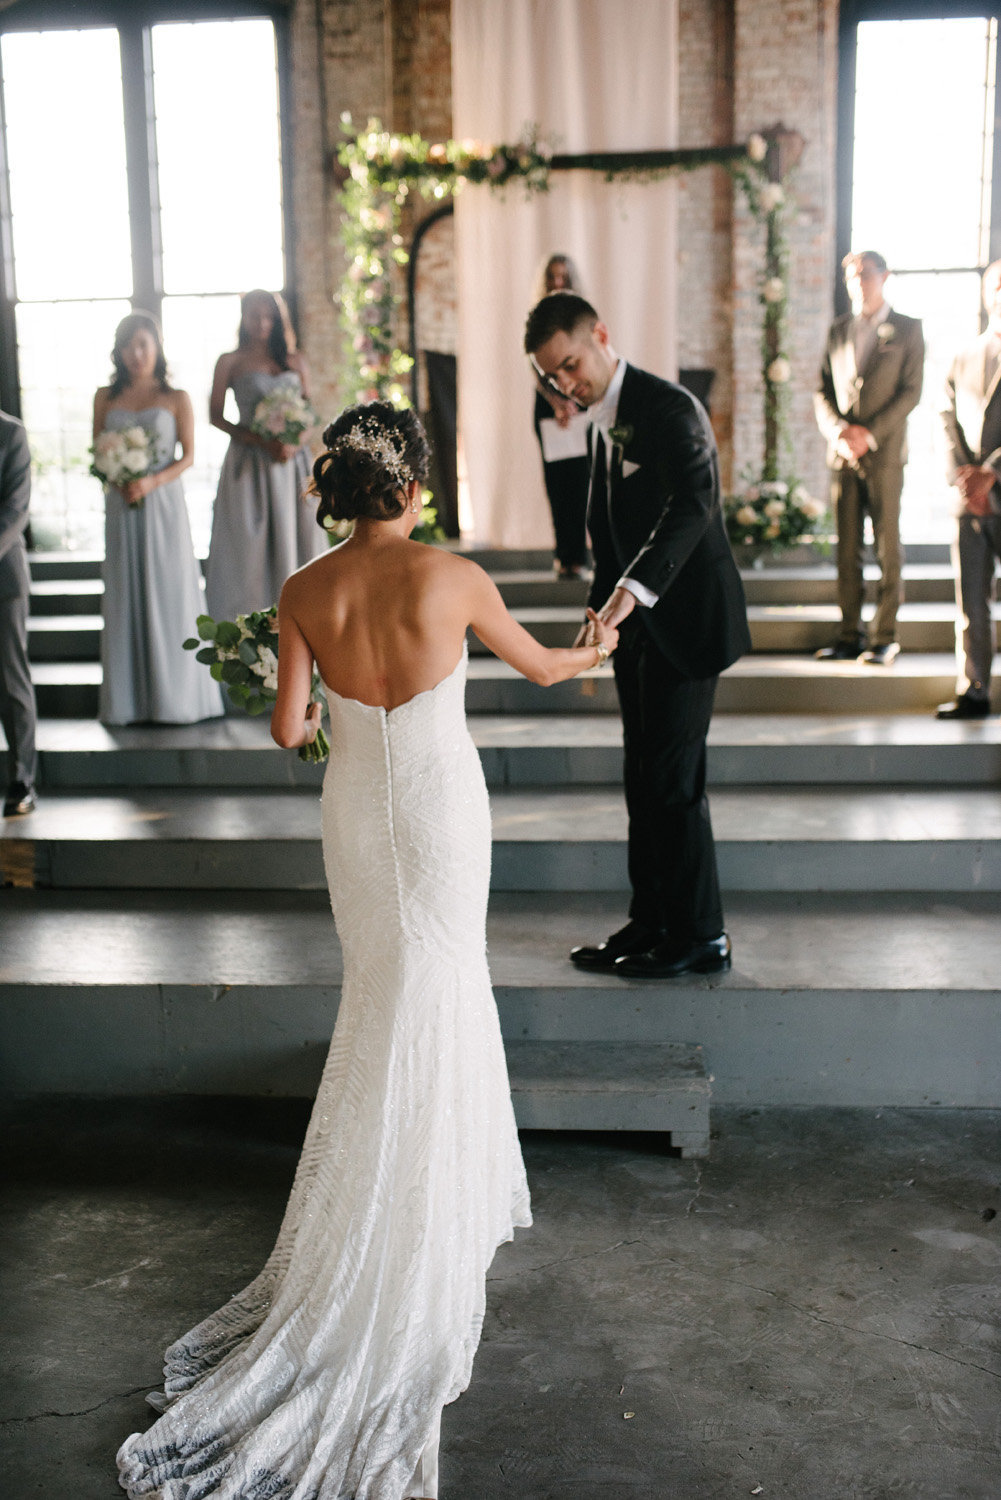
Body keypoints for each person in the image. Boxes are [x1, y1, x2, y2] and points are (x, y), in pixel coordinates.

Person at [116, 401, 618, 1500]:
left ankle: (391, 1207)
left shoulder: (302, 591)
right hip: (441, 812)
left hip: (356, 818)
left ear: (339, 491)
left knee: (385, 992)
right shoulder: (453, 577)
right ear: (409, 488)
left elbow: (290, 731)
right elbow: (545, 671)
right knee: (445, 982)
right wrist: (598, 642)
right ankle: (431, 1213)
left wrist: (298, 685)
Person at [524, 292, 751, 979]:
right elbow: (608, 534)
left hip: (683, 622)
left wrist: (628, 593)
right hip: (634, 630)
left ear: (599, 335)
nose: (566, 383)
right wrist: (595, 621)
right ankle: (651, 918)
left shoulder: (670, 406)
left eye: (569, 365)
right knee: (641, 776)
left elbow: (691, 505)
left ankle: (700, 935)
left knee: (674, 783)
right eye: (553, 378)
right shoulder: (599, 423)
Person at [93, 312, 222, 725]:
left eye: (144, 344)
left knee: (169, 593)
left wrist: (150, 483)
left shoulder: (176, 396)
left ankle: (177, 700)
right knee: (125, 591)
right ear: (119, 351)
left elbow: (188, 456)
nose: (136, 353)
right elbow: (97, 451)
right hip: (121, 507)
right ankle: (128, 702)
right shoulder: (104, 396)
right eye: (129, 346)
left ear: (157, 347)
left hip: (163, 506)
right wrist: (117, 479)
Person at [813, 250, 925, 665]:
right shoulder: (839, 329)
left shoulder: (908, 329)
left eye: (866, 273)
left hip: (884, 455)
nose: (859, 281)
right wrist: (839, 431)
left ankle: (885, 637)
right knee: (846, 550)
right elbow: (821, 389)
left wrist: (869, 434)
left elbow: (911, 392)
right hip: (842, 454)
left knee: (886, 546)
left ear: (885, 276)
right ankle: (849, 635)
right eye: (852, 275)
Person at [205, 289, 324, 623]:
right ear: (243, 318)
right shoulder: (230, 361)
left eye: (267, 316)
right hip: (250, 464)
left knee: (299, 539)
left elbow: (310, 412)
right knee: (248, 551)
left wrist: (294, 441)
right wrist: (259, 440)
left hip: (293, 463)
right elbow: (215, 416)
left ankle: (303, 619)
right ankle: (248, 624)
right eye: (254, 315)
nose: (261, 323)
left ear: (277, 319)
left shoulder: (295, 360)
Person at [937, 260, 1001, 719]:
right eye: (996, 285)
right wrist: (966, 478)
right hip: (969, 500)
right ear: (986, 293)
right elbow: (946, 420)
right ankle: (974, 689)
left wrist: (993, 472)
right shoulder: (963, 355)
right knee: (970, 598)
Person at [531, 254, 591, 577]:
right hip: (547, 405)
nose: (557, 282)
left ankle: (579, 557)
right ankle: (562, 557)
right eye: (552, 276)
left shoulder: (580, 316)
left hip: (577, 401)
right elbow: (536, 368)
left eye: (562, 277)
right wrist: (555, 401)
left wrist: (570, 400)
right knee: (556, 484)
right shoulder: (538, 317)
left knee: (580, 483)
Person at [0, 409, 38, 816]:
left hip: (2, 578)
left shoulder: (11, 433)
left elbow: (15, 509)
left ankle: (22, 779)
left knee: (10, 681)